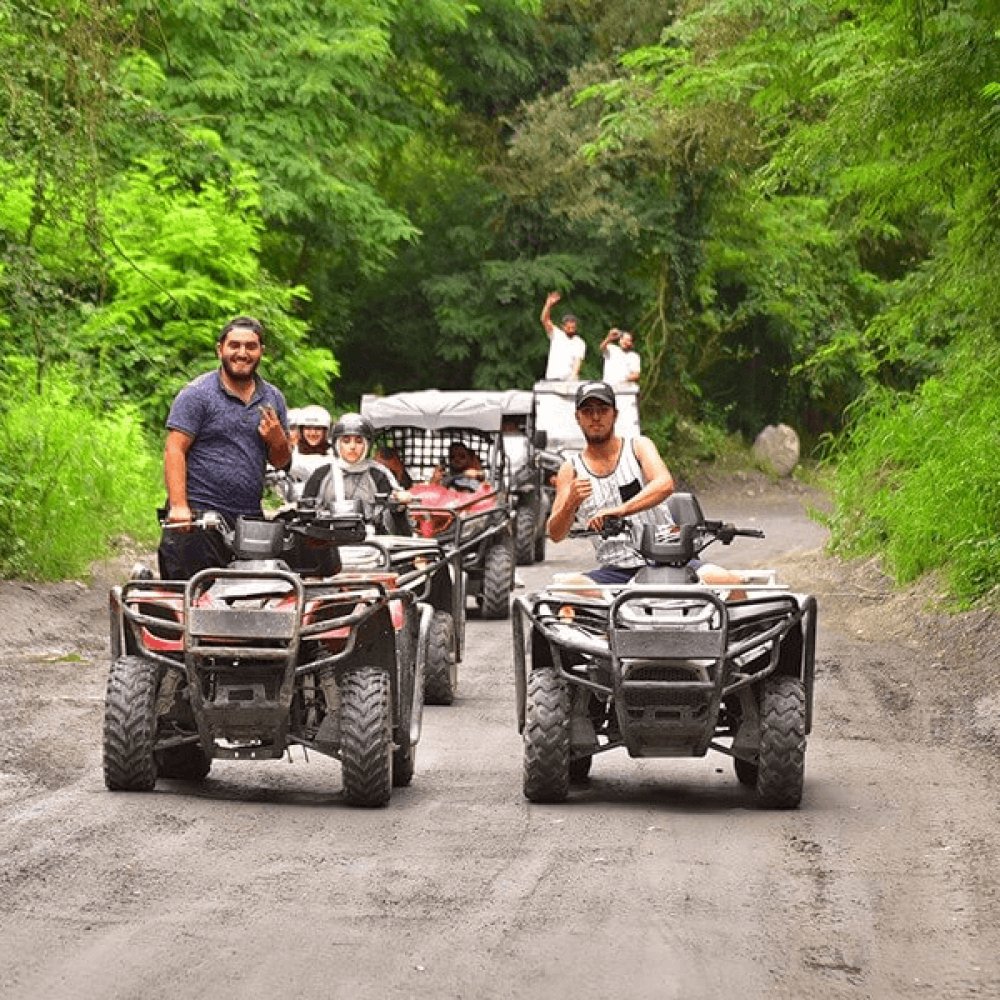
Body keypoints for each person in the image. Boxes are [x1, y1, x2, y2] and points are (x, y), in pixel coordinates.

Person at [546, 380, 744, 595]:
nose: (595, 417)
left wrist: (622, 510)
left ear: (615, 414)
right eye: (588, 411)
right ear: (578, 417)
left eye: (603, 410)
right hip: (616, 572)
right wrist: (570, 504)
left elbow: (664, 484)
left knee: (728, 582)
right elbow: (555, 534)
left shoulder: (638, 446)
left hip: (672, 562)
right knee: (563, 591)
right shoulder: (571, 468)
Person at [157, 316, 291, 579]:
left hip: (249, 519)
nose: (242, 353)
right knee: (194, 602)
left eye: (250, 346)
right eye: (235, 345)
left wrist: (277, 439)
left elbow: (281, 462)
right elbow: (174, 449)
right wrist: (179, 506)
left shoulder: (273, 398)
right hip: (199, 517)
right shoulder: (197, 394)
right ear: (220, 349)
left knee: (253, 599)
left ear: (261, 351)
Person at [306, 413, 412, 535]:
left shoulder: (379, 475)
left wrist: (399, 506)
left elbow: (394, 521)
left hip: (372, 544)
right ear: (337, 444)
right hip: (328, 544)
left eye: (359, 441)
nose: (352, 447)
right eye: (346, 441)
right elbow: (306, 514)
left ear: (367, 444)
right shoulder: (321, 474)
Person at [287, 404, 334, 494]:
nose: (313, 433)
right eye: (308, 428)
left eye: (317, 428)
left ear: (325, 431)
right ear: (301, 430)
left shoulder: (336, 455)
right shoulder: (289, 454)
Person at [540, 290, 585, 381]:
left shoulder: (579, 342)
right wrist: (548, 305)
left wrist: (573, 377)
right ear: (563, 327)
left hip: (568, 380)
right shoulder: (556, 334)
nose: (571, 330)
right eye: (568, 328)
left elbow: (577, 362)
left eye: (573, 328)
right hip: (552, 378)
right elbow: (545, 320)